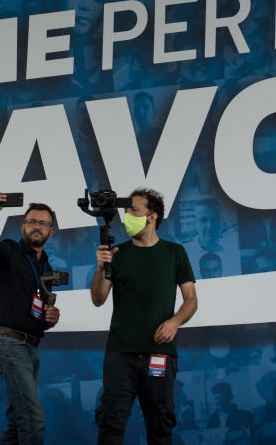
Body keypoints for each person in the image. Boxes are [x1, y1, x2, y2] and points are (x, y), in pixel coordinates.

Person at [91, 187, 198, 445]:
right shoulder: (117, 254)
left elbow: (191, 300)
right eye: (126, 211)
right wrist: (100, 268)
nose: (127, 215)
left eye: (133, 210)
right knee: (111, 424)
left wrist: (174, 322)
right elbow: (98, 299)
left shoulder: (175, 253)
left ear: (151, 216)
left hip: (159, 353)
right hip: (120, 354)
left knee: (160, 426)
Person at [0, 195, 62, 445]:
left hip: (30, 347)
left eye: (43, 223)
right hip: (8, 344)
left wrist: (51, 317)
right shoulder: (10, 250)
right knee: (33, 421)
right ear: (22, 226)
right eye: (32, 221)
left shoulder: (46, 266)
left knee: (17, 425)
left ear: (51, 231)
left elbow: (41, 314)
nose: (37, 226)